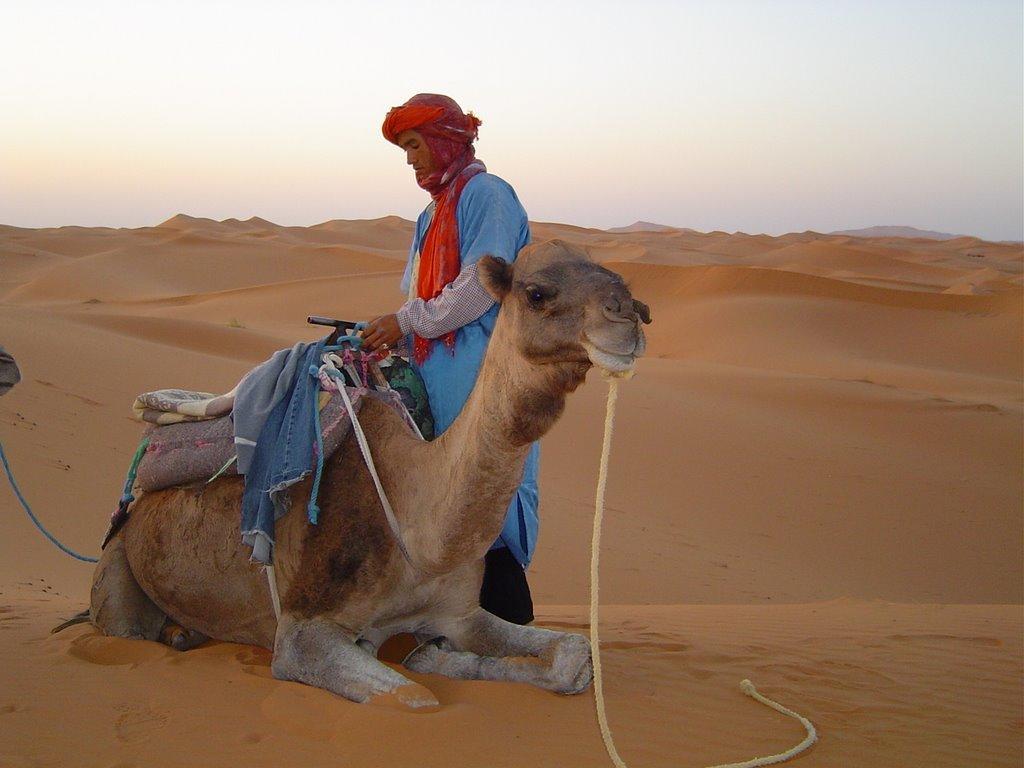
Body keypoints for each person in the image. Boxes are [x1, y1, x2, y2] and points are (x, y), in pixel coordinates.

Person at [360, 93, 538, 625]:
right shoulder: (431, 214)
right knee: (443, 492)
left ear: (443, 142)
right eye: (404, 149)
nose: (411, 160)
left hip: (483, 373)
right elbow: (419, 295)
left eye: (415, 146)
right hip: (434, 375)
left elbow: (479, 287)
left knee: (485, 487)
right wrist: (395, 331)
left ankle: (510, 621)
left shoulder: (488, 196)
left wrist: (407, 322)